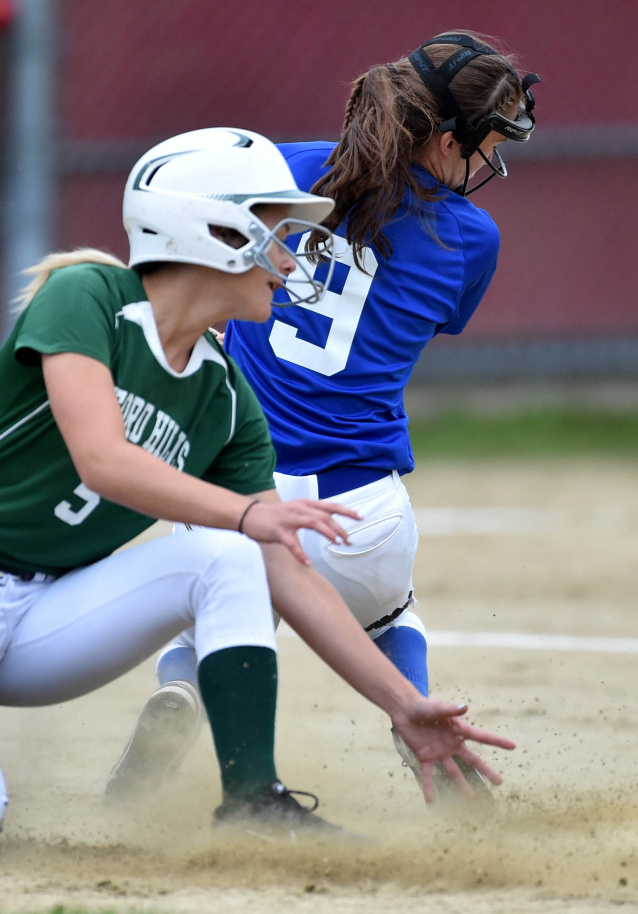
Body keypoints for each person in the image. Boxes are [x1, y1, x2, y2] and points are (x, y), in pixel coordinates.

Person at [0, 126, 514, 857]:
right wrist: (249, 511)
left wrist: (404, 704)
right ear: (213, 231)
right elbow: (102, 459)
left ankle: (254, 797)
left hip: (44, 618)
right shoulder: (87, 297)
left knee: (232, 556)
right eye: (275, 235)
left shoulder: (225, 397)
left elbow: (288, 569)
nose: (288, 261)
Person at [106, 32, 539, 805]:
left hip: (241, 497)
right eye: (484, 146)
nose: (487, 164)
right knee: (392, 612)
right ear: (444, 138)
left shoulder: (278, 171)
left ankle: (184, 689)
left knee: (209, 613)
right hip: (359, 512)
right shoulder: (472, 239)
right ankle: (417, 716)